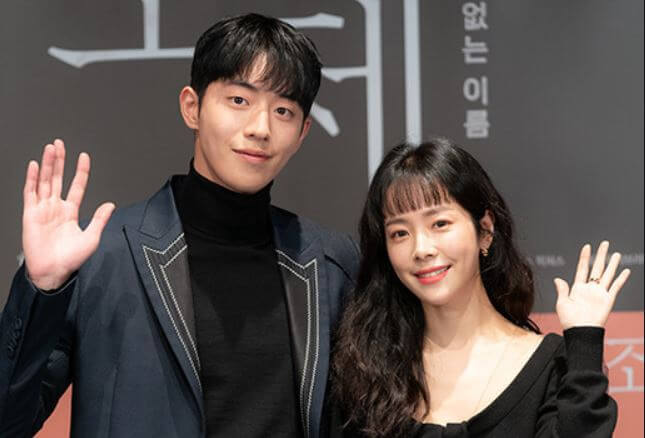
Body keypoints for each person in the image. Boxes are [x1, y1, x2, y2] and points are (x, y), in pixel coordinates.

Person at [0, 13, 359, 438]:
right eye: (239, 101)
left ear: (302, 132)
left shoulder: (331, 265)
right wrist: (41, 289)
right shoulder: (106, 254)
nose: (260, 128)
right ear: (192, 107)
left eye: (283, 110)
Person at [330, 138, 630, 438]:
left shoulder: (549, 365)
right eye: (399, 233)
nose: (421, 249)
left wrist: (585, 339)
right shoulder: (367, 369)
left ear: (485, 229)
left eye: (439, 224)